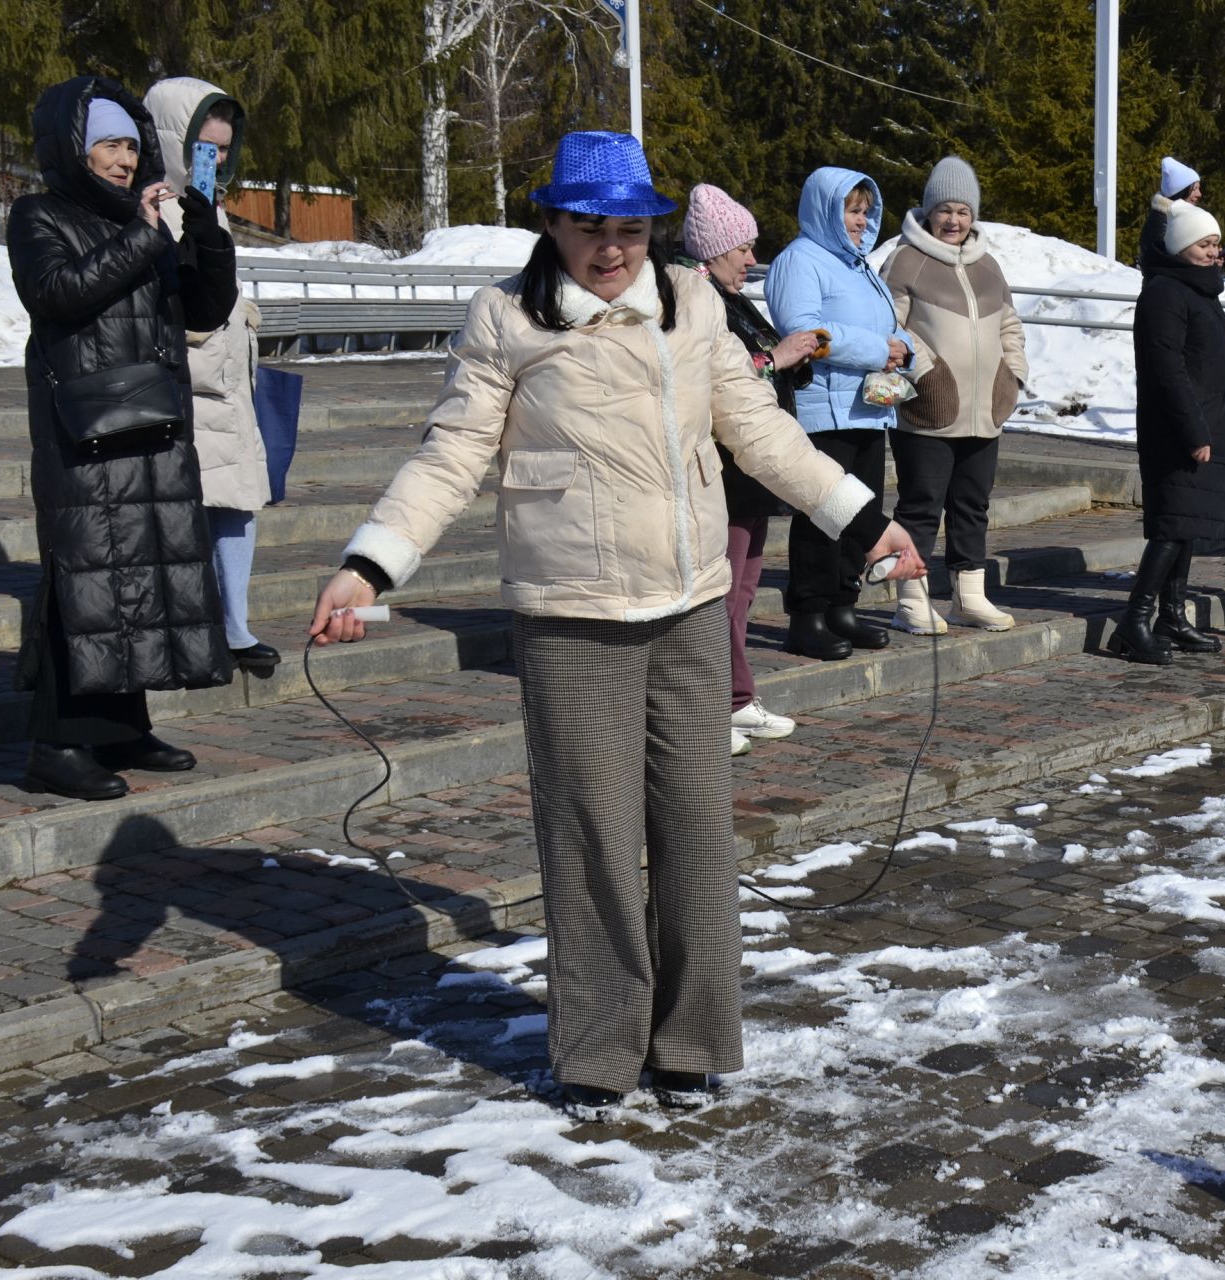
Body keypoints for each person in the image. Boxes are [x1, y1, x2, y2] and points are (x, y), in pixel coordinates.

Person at [308, 133, 923, 1116]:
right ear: (551, 221)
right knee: (590, 831)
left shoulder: (691, 303)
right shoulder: (507, 316)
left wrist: (865, 518)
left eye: (630, 228)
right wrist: (368, 562)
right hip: (570, 610)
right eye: (590, 227)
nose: (611, 248)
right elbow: (452, 452)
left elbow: (758, 429)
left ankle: (691, 1040)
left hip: (687, 599)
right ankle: (596, 1051)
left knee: (695, 825)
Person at [8, 77, 237, 802]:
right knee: (85, 580)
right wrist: (145, 237)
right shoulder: (38, 214)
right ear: (75, 147)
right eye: (108, 144)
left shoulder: (148, 218)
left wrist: (202, 233)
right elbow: (58, 294)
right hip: (85, 429)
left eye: (132, 147)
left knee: (141, 574)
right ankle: (57, 743)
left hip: (154, 423)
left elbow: (205, 307)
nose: (122, 159)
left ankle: (123, 728)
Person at [676, 183, 822, 756]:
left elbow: (756, 363)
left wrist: (792, 361)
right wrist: (774, 359)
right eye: (744, 248)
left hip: (753, 466)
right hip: (724, 467)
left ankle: (735, 697)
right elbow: (716, 374)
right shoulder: (694, 297)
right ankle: (722, 702)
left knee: (744, 585)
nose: (752, 260)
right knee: (724, 590)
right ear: (715, 249)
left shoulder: (732, 297)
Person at [145, 77, 278, 679]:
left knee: (238, 504)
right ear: (174, 141)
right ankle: (189, 627)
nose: (215, 160)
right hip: (185, 388)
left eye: (223, 149)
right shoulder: (150, 208)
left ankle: (236, 625)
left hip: (227, 388)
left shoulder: (210, 207)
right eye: (204, 146)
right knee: (186, 511)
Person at [766, 167, 914, 660]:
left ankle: (842, 606)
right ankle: (807, 615)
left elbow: (889, 326)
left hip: (869, 408)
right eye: (852, 210)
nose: (860, 220)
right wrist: (880, 350)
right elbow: (805, 331)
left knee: (860, 513)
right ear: (826, 210)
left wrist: (904, 348)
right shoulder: (798, 260)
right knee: (821, 516)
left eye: (865, 211)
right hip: (823, 410)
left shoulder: (860, 266)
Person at [880, 155, 1028, 635]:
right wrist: (928, 372)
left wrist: (1013, 376)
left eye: (963, 211)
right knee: (921, 506)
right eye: (945, 209)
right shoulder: (905, 260)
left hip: (985, 413)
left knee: (972, 506)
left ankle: (969, 596)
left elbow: (1010, 325)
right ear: (928, 211)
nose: (954, 220)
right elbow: (886, 325)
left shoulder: (989, 265)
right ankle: (911, 599)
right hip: (928, 412)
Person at [1115, 200, 1225, 664]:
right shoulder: (1165, 293)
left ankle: (1171, 614)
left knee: (1187, 524)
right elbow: (1167, 369)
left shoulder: (1200, 291)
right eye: (1204, 244)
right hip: (1176, 431)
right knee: (1172, 526)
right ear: (1179, 247)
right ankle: (1134, 621)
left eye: (1217, 244)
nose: (1216, 253)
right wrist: (1193, 429)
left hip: (1207, 425)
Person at [1138, 156, 1201, 267]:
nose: (1199, 194)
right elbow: (1163, 264)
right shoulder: (1160, 223)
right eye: (1195, 189)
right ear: (1181, 191)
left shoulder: (1177, 218)